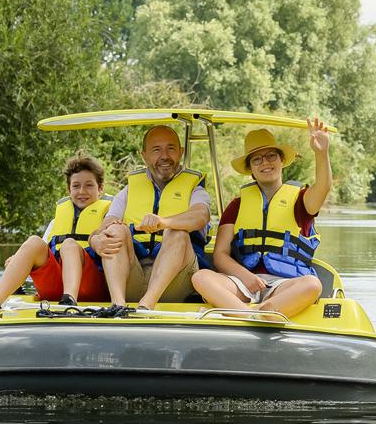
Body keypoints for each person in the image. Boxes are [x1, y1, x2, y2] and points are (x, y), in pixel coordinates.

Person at [191, 118, 332, 319]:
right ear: (250, 169)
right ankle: (256, 316)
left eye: (271, 156)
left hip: (285, 286)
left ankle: (250, 312)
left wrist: (321, 152)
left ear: (281, 160)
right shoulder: (237, 206)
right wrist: (245, 276)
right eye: (257, 159)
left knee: (312, 284)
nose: (265, 162)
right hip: (244, 284)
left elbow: (323, 187)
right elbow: (220, 254)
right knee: (201, 277)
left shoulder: (301, 200)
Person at [90, 124, 211, 314]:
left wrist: (163, 222)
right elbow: (104, 226)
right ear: (144, 155)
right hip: (134, 274)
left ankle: (147, 306)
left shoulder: (196, 190)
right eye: (156, 150)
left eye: (170, 149)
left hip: (175, 282)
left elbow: (200, 216)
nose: (164, 156)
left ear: (180, 152)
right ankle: (118, 305)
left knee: (177, 232)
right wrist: (95, 240)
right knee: (114, 231)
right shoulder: (128, 192)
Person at [0, 153, 110, 319]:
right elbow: (42, 253)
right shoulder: (56, 221)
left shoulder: (109, 217)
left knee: (69, 244)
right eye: (76, 186)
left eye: (89, 185)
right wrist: (18, 260)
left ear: (100, 188)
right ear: (68, 190)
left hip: (92, 286)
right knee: (34, 242)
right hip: (56, 287)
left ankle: (69, 303)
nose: (82, 191)